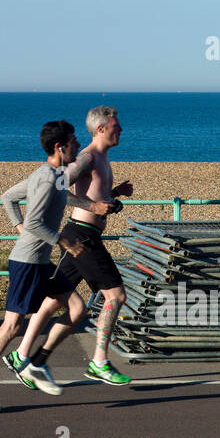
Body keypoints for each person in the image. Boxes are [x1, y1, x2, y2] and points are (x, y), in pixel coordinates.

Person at [0, 120, 110, 414]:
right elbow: (36, 222)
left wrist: (96, 206)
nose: (78, 145)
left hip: (40, 262)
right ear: (59, 147)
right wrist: (60, 240)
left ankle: (35, 364)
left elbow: (10, 197)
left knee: (77, 310)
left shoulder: (57, 175)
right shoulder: (46, 177)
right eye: (74, 141)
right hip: (27, 263)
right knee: (12, 326)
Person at [49, 105, 135, 384]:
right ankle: (99, 361)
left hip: (84, 234)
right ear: (101, 129)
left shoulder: (102, 157)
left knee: (53, 301)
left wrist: (113, 196)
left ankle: (24, 356)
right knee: (116, 296)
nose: (120, 129)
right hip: (82, 234)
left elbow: (94, 198)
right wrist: (92, 205)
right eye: (115, 125)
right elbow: (56, 188)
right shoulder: (86, 157)